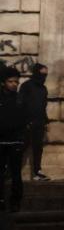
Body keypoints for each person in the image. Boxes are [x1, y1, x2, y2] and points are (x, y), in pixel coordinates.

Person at [18, 63, 50, 182]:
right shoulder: (26, 86)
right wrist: (24, 121)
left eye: (46, 75)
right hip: (27, 123)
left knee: (38, 148)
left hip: (39, 123)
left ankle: (37, 172)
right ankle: (11, 171)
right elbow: (20, 104)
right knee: (22, 147)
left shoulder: (43, 89)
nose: (44, 77)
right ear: (36, 73)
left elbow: (43, 106)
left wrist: (46, 121)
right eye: (42, 74)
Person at [0, 67, 25, 213]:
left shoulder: (20, 99)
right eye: (11, 81)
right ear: (3, 82)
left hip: (16, 141)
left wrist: (21, 137)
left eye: (16, 82)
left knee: (16, 173)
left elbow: (26, 118)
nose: (14, 84)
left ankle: (15, 201)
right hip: (1, 142)